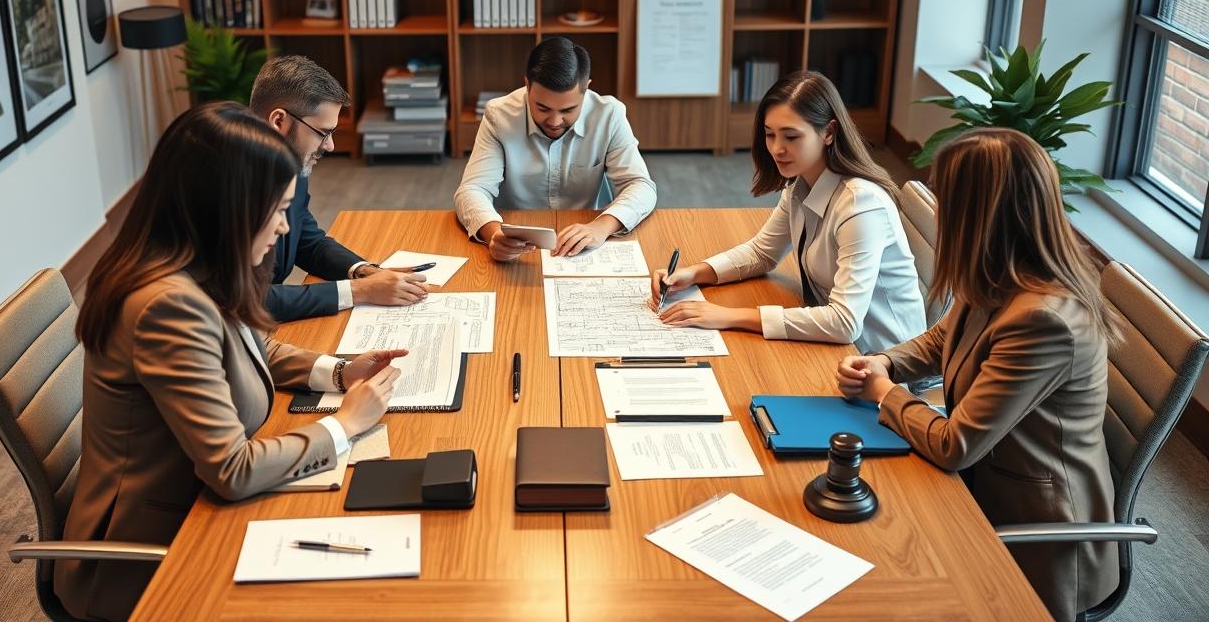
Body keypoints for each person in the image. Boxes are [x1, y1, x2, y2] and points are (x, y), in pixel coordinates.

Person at [56, 102, 405, 621]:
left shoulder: (192, 264)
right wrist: (345, 424)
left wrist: (337, 371)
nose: (284, 228)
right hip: (153, 553)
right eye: (278, 210)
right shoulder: (167, 305)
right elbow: (232, 471)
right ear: (228, 210)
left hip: (195, 506)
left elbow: (247, 346)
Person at [835, 127, 1119, 620]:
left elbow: (954, 446)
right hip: (979, 482)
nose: (939, 213)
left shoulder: (1043, 319)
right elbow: (942, 338)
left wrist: (884, 393)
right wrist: (886, 362)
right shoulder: (999, 273)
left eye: (947, 201)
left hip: (1034, 536)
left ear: (980, 213)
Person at [651, 70, 924, 354]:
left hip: (885, 361)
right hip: (839, 349)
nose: (777, 149)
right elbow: (762, 253)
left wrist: (729, 316)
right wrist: (693, 274)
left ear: (829, 133)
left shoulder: (861, 205)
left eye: (791, 137)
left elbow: (844, 323)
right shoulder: (801, 185)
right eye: (770, 135)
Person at [249, 56, 428, 321]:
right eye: (323, 132)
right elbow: (245, 298)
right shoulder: (224, 185)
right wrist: (359, 291)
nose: (330, 146)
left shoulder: (293, 166)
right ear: (278, 122)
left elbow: (307, 241)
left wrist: (365, 272)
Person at [453, 37, 657, 261]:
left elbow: (641, 186)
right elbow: (472, 190)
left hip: (584, 235)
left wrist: (602, 226)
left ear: (586, 89)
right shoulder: (499, 115)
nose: (554, 121)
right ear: (527, 85)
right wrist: (493, 234)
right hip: (516, 239)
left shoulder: (609, 115)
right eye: (542, 108)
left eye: (568, 110)